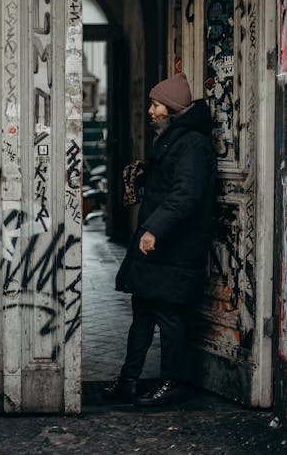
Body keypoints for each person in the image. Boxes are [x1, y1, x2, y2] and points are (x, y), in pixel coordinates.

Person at [104, 72, 216, 406]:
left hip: (174, 245)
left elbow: (186, 194)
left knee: (168, 316)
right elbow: (170, 183)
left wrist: (154, 229)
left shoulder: (192, 144)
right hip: (161, 245)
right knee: (142, 311)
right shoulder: (174, 138)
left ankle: (173, 383)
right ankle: (128, 380)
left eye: (156, 105)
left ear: (172, 107)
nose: (150, 110)